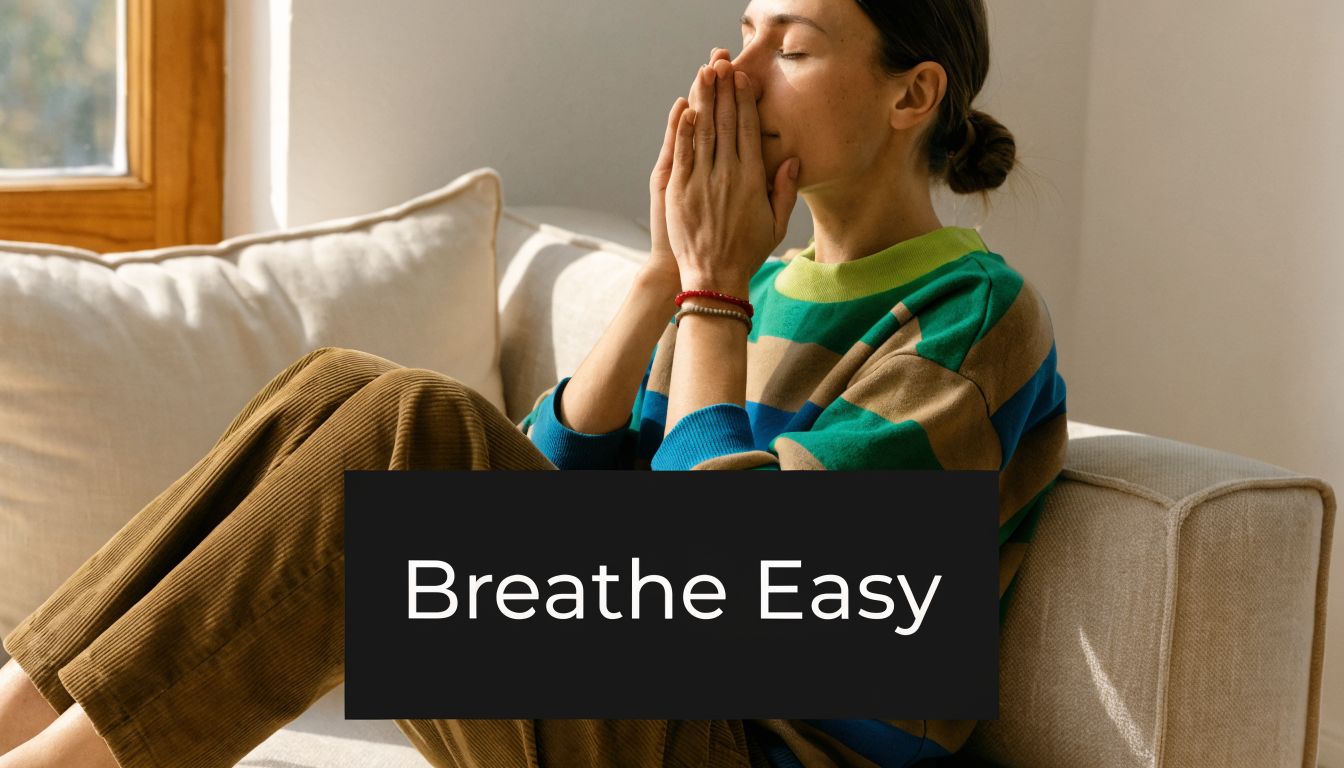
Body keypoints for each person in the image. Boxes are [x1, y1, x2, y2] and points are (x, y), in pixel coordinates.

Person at [0, 0, 1066, 766]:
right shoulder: (762, 279)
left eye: (792, 45)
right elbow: (545, 498)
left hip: (738, 739)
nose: (736, 76)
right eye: (742, 34)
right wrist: (662, 278)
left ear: (911, 94)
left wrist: (713, 298)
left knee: (407, 425)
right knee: (342, 390)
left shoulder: (973, 315)